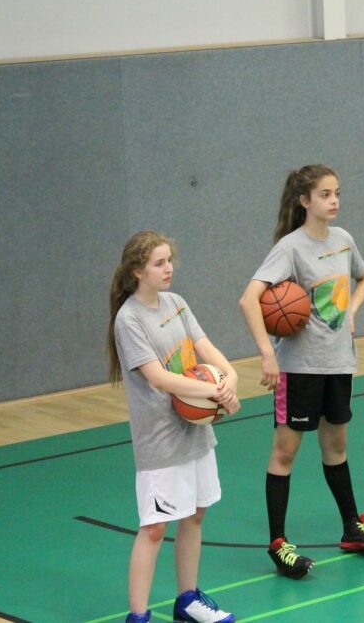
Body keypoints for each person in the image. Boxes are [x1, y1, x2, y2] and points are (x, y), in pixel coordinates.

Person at [238, 164, 364, 581]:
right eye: (325, 194)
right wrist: (267, 354)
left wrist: (352, 310)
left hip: (339, 362)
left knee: (336, 447)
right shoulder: (290, 248)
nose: (334, 200)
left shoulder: (344, 240)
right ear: (305, 201)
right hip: (299, 368)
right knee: (285, 453)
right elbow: (249, 300)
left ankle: (352, 528)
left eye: (337, 193)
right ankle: (278, 543)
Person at [108, 231, 241, 623]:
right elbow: (159, 378)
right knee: (154, 528)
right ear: (138, 271)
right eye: (159, 263)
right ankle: (138, 616)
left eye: (169, 261)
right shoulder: (129, 319)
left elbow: (205, 348)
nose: (168, 269)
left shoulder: (176, 303)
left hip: (195, 430)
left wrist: (230, 379)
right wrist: (213, 391)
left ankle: (187, 600)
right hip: (160, 439)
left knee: (195, 514)